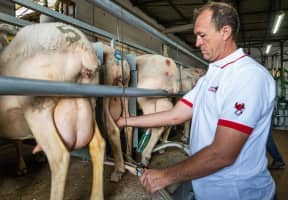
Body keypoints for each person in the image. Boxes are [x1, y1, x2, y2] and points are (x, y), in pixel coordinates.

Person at [117, 1, 276, 199]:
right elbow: (175, 115)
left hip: (238, 193)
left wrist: (166, 176)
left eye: (202, 35)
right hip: (207, 187)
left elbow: (223, 153)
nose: (197, 43)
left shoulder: (247, 77)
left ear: (225, 32)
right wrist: (125, 121)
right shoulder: (210, 77)